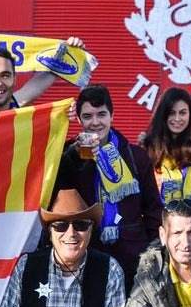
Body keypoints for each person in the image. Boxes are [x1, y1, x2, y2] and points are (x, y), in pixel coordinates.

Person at [55, 84, 162, 284]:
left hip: (132, 258)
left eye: (101, 114)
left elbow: (153, 210)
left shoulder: (135, 156)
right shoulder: (68, 154)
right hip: (85, 256)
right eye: (88, 116)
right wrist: (74, 158)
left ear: (112, 116)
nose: (95, 122)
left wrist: (151, 252)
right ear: (78, 119)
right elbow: (54, 201)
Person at [142, 87, 191, 211]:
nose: (177, 119)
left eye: (183, 113)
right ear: (163, 115)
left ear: (190, 115)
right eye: (172, 113)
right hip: (161, 227)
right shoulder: (147, 152)